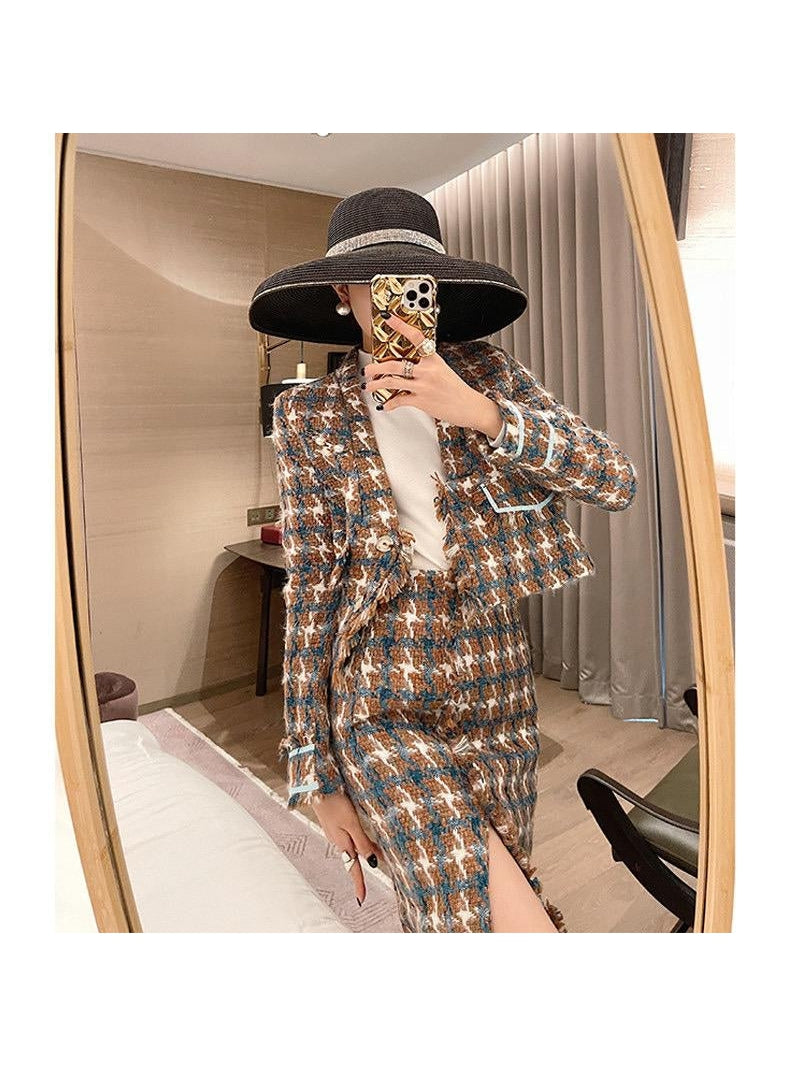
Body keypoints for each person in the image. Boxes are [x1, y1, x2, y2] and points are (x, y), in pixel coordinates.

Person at [248, 186, 638, 933]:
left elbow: (613, 480)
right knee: (475, 911)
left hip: (495, 673)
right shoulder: (306, 413)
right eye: (375, 283)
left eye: (412, 282)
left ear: (435, 291)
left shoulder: (487, 377)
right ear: (341, 294)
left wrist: (479, 412)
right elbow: (312, 590)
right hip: (378, 680)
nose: (395, 303)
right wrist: (314, 772)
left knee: (479, 889)